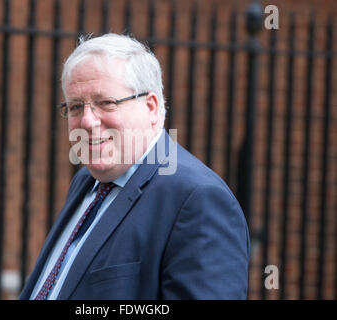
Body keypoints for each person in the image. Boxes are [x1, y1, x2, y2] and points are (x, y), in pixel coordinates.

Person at [19, 33, 250, 300]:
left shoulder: (198, 199)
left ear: (151, 107)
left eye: (106, 103)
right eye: (75, 106)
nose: (87, 121)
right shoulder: (87, 181)